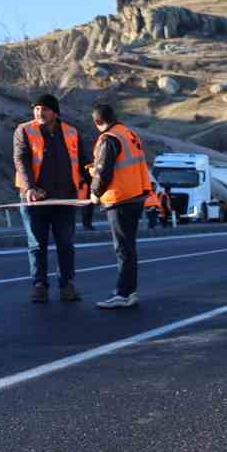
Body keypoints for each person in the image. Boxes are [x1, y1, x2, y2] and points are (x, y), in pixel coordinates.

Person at [13, 93, 90, 302]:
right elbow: (21, 159)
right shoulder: (24, 130)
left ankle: (67, 285)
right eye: (36, 108)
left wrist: (93, 182)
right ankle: (39, 286)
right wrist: (30, 187)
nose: (39, 112)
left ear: (55, 112)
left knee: (65, 244)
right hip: (34, 200)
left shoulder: (71, 131)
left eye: (44, 109)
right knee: (37, 245)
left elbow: (84, 161)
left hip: (64, 199)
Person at [86, 103, 153, 309]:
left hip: (120, 199)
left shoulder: (108, 138)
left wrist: (95, 192)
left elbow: (104, 171)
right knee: (129, 247)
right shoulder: (128, 133)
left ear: (98, 122)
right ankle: (129, 291)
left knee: (123, 249)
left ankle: (123, 294)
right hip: (135, 195)